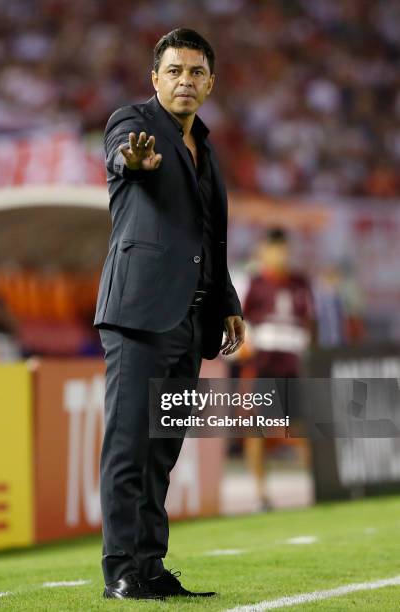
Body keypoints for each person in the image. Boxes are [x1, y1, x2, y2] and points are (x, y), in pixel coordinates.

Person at [94, 28, 245, 600]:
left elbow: (210, 236)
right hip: (138, 314)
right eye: (175, 71)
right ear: (154, 77)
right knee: (129, 445)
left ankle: (151, 566)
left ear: (210, 83)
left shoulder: (205, 147)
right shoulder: (132, 124)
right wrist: (131, 161)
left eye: (197, 72)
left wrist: (227, 302)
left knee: (162, 450)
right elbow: (124, 160)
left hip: (190, 319)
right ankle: (122, 572)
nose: (186, 81)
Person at [241, 227, 316, 511]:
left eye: (283, 248)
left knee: (301, 427)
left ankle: (316, 486)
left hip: (293, 367)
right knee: (256, 428)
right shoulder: (255, 283)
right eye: (274, 249)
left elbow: (310, 322)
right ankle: (261, 493)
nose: (280, 254)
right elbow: (242, 322)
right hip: (263, 366)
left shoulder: (300, 283)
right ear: (263, 252)